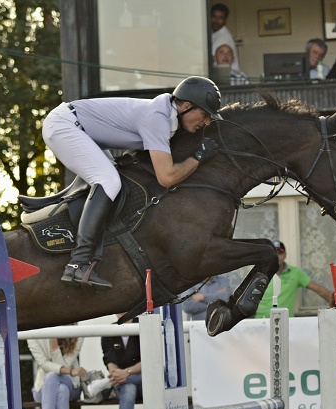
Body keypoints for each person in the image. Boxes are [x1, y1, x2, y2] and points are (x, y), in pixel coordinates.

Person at [43, 77, 223, 291]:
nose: (207, 122)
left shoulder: (168, 116)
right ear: (186, 106)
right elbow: (166, 178)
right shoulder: (158, 119)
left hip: (79, 128)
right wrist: (198, 158)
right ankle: (77, 263)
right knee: (108, 181)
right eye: (204, 114)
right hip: (65, 125)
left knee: (113, 178)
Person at [27, 336, 87, 409]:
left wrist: (54, 347)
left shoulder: (78, 334)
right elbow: (44, 364)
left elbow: (64, 365)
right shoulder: (33, 334)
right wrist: (71, 370)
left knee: (53, 376)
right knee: (61, 389)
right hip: (43, 388)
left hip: (71, 384)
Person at [254, 241, 333, 318]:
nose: (276, 257)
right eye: (273, 254)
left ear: (285, 255)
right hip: (261, 321)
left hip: (285, 323)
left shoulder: (296, 273)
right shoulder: (261, 273)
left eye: (279, 253)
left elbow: (321, 291)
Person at [100, 317, 142, 409]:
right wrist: (119, 374)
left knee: (156, 375)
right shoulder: (109, 331)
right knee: (128, 390)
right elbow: (110, 362)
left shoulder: (143, 325)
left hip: (144, 380)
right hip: (124, 382)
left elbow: (150, 359)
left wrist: (127, 372)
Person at [210, 3, 241, 72]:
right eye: (214, 17)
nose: (216, 21)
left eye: (220, 18)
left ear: (225, 21)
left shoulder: (224, 37)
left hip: (231, 77)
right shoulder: (215, 33)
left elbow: (208, 58)